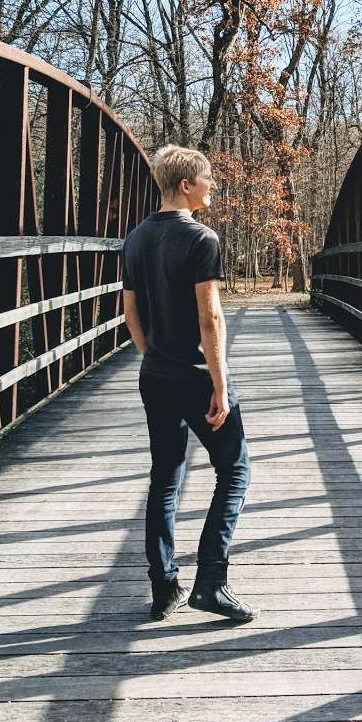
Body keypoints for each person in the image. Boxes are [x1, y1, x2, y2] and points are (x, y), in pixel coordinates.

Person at [121, 145, 255, 623]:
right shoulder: (202, 238)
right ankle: (211, 583)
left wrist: (151, 354)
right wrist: (219, 385)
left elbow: (131, 311)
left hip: (154, 375)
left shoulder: (135, 238)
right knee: (236, 470)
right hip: (196, 377)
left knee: (165, 478)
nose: (212, 185)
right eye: (207, 178)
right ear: (185, 185)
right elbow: (210, 316)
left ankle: (163, 586)